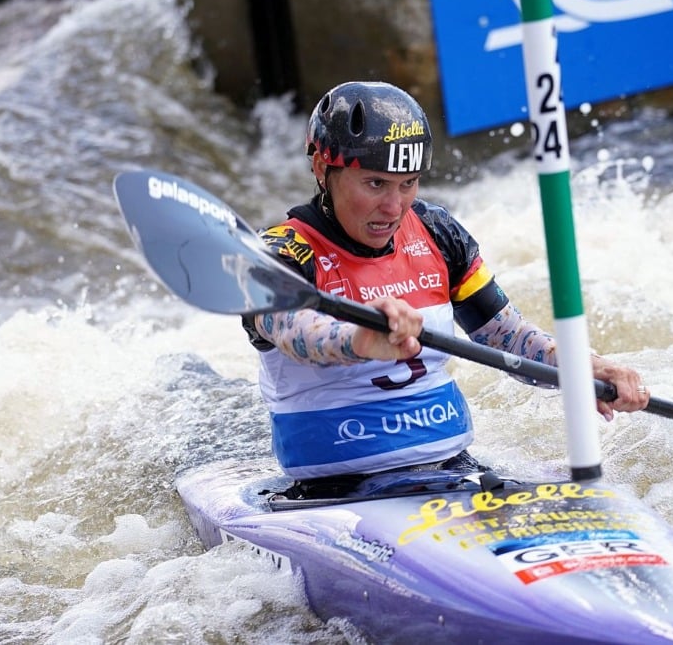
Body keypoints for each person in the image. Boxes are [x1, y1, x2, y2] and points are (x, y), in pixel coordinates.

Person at [242, 81, 648, 497]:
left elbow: (507, 337)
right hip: (335, 493)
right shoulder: (279, 253)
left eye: (408, 183)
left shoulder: (436, 232)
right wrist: (361, 339)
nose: (394, 207)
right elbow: (294, 331)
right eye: (376, 183)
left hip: (453, 471)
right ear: (323, 170)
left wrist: (584, 367)